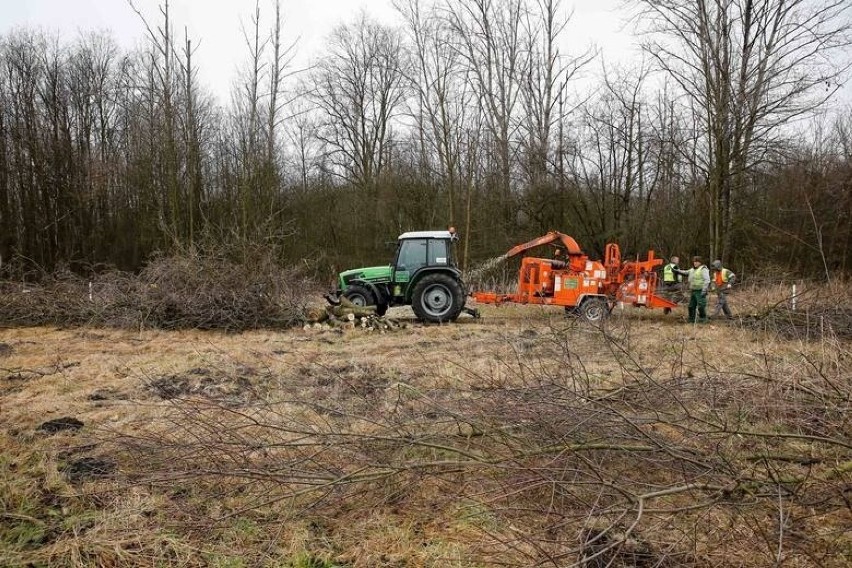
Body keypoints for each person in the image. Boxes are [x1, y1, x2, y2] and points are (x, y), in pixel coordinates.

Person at [675, 256, 710, 323]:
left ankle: (703, 318)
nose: (695, 263)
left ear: (700, 262)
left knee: (701, 306)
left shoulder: (703, 269)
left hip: (700, 290)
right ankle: (691, 319)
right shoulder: (692, 269)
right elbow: (685, 272)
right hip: (693, 290)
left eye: (697, 262)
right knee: (691, 306)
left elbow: (707, 280)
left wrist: (704, 290)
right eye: (694, 262)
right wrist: (677, 271)